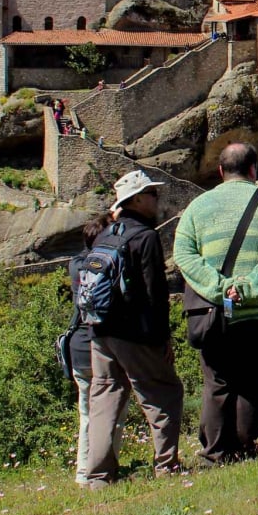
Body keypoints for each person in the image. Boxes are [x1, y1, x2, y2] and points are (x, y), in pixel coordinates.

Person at [174, 144, 258, 464]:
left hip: (213, 312)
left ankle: (214, 452)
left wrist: (219, 288)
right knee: (254, 382)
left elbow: (183, 255)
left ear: (220, 171)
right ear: (254, 169)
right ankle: (242, 444)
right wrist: (248, 286)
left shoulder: (197, 207)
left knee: (217, 383)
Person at [85, 170, 184, 487]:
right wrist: (162, 337)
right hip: (134, 332)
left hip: (100, 331)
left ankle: (99, 475)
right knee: (162, 392)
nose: (157, 199)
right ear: (137, 200)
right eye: (151, 194)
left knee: (104, 399)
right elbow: (155, 292)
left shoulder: (107, 234)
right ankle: (166, 465)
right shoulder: (145, 236)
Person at [67, 211, 123, 485]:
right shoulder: (110, 265)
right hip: (104, 346)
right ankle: (105, 470)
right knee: (113, 414)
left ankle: (82, 474)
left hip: (79, 347)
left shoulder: (76, 264)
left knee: (88, 415)